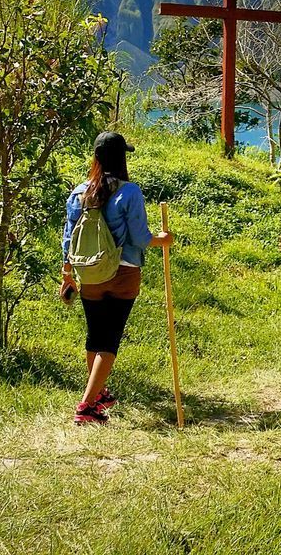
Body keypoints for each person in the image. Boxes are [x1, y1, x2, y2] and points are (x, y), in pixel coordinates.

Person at [60, 131, 171, 426]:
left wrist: (67, 272)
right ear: (121, 159)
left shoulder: (79, 192)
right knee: (110, 340)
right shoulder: (130, 192)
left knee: (95, 335)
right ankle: (86, 407)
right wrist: (163, 239)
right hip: (123, 272)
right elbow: (140, 237)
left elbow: (69, 237)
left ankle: (98, 395)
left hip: (89, 272)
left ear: (96, 158)